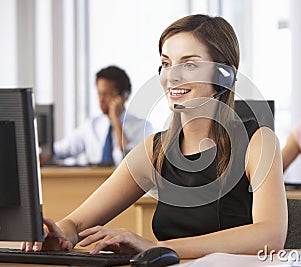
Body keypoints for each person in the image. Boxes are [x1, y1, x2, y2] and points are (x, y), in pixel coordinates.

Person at [22, 14, 287, 258]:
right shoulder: (155, 150)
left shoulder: (259, 141)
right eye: (166, 63)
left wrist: (158, 247)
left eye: (190, 64)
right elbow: (77, 223)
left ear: (224, 75)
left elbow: (270, 235)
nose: (172, 75)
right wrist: (59, 234)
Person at [53, 65, 155, 166]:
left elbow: (133, 159)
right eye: (99, 93)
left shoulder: (143, 127)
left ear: (124, 96)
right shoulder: (91, 125)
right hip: (95, 181)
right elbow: (59, 150)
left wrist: (115, 120)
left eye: (107, 94)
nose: (101, 100)